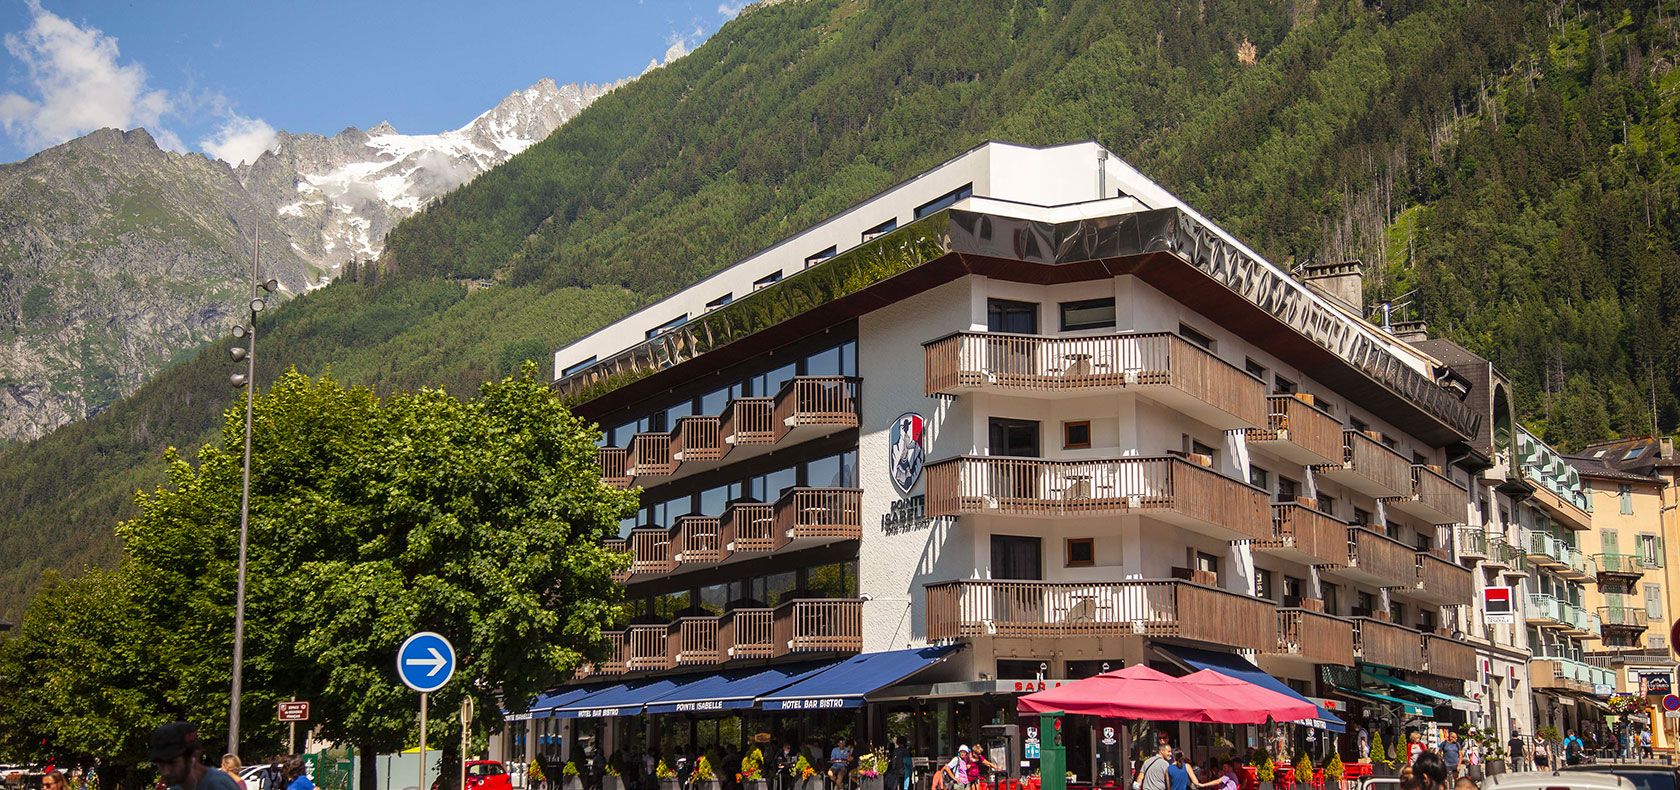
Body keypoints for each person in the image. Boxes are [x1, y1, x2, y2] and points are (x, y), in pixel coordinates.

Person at [151, 722, 242, 790]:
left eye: (172, 762)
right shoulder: (177, 787)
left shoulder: (217, 784)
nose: (166, 771)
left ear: (194, 756)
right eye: (161, 764)